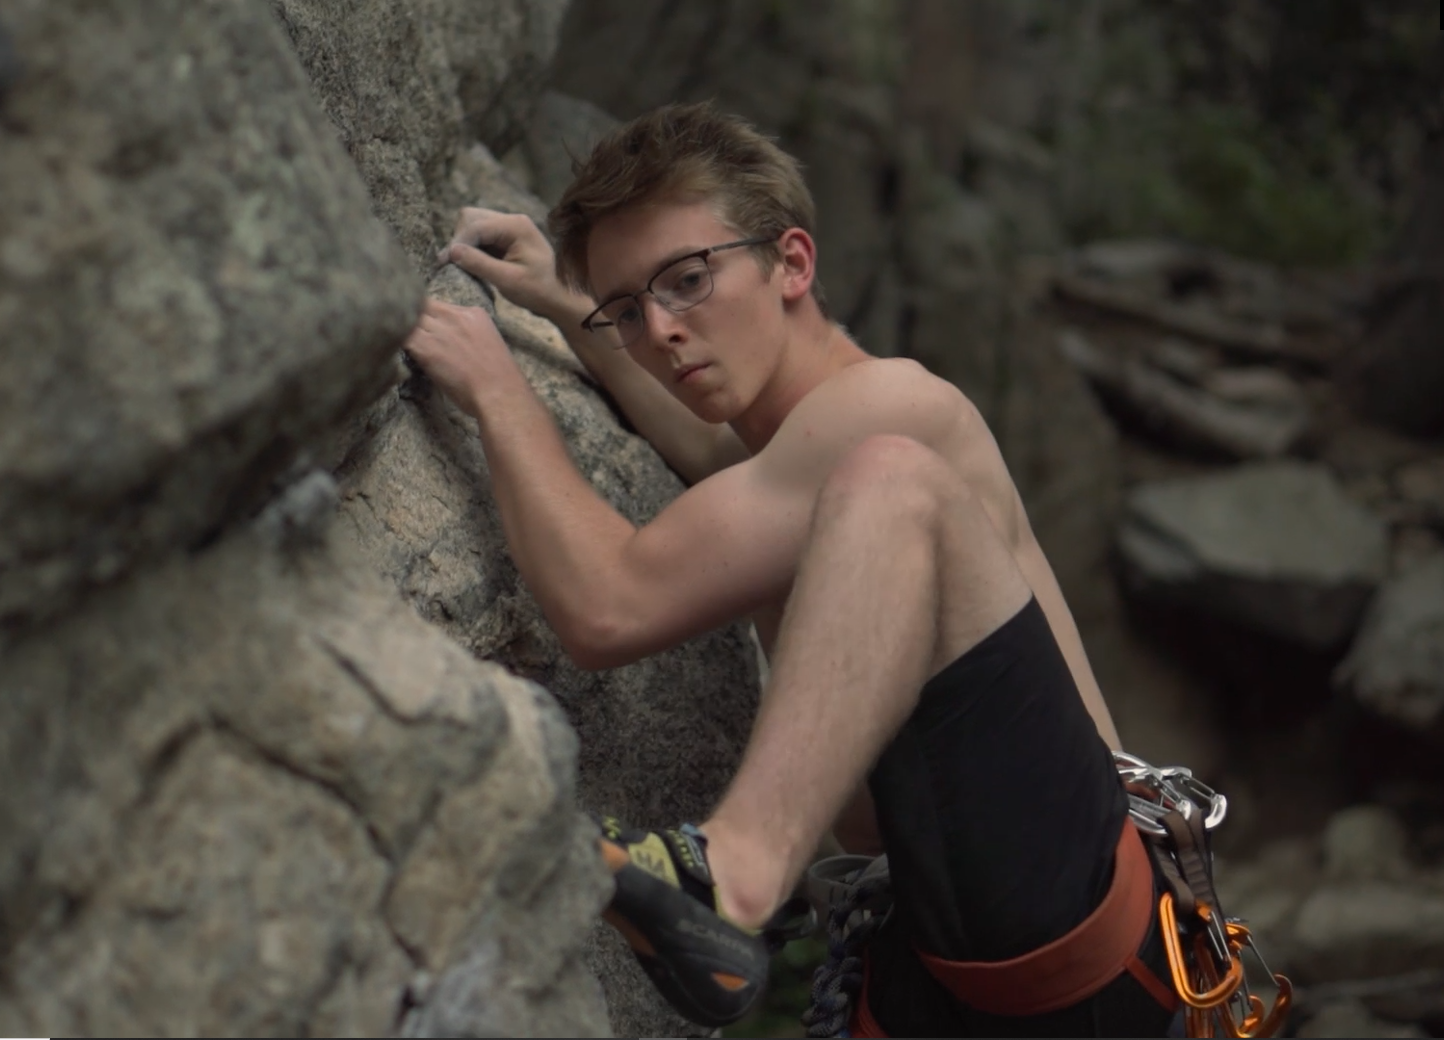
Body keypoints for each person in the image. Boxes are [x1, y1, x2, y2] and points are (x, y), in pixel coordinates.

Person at [402, 102, 1179, 1036]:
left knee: (893, 482)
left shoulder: (892, 409)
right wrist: (570, 307)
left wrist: (494, 386)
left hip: (1068, 914)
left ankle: (727, 883)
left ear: (793, 263)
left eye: (687, 280)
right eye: (629, 308)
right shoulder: (785, 463)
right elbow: (725, 471)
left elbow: (607, 606)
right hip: (950, 963)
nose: (660, 331)